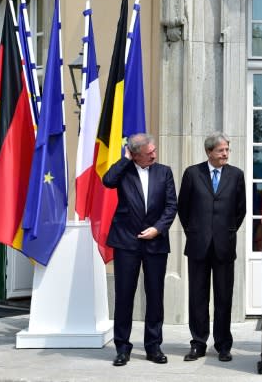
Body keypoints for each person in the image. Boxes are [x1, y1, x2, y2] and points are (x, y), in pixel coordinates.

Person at [103, 133, 177, 367]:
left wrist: (158, 228)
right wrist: (125, 159)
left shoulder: (164, 171)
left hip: (155, 242)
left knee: (155, 295)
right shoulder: (124, 170)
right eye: (148, 153)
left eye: (154, 150)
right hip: (126, 242)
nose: (154, 155)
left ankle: (153, 346)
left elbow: (171, 205)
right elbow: (107, 180)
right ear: (134, 155)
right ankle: (122, 348)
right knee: (124, 296)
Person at [178, 132, 246, 363]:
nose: (225, 154)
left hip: (224, 245)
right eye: (221, 150)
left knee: (223, 296)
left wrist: (225, 231)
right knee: (197, 296)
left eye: (227, 150)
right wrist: (196, 231)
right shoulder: (192, 173)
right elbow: (183, 208)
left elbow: (241, 209)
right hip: (198, 245)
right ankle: (198, 343)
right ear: (209, 152)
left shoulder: (236, 175)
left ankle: (223, 345)